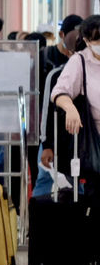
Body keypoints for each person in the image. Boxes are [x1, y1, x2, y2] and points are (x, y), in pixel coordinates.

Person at [51, 15, 100, 171]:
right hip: (95, 142)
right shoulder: (80, 61)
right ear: (86, 41)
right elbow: (60, 92)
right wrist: (70, 108)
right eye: (96, 40)